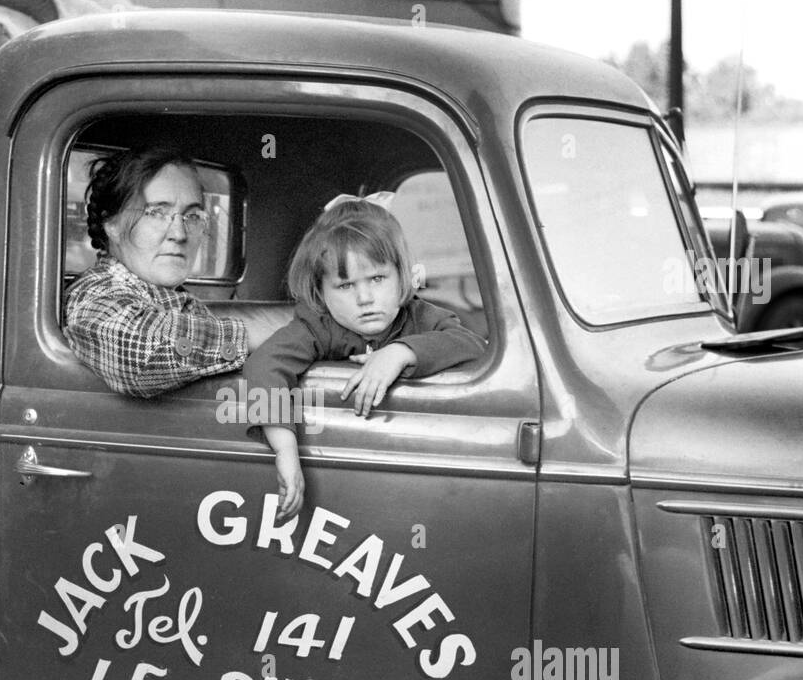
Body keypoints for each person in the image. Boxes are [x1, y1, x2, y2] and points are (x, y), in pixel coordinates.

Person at [242, 194, 487, 520]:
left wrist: (400, 352)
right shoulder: (317, 327)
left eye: (377, 278)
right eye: (344, 286)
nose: (365, 298)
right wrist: (285, 450)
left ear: (402, 276)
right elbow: (264, 365)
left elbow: (471, 343)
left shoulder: (420, 316)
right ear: (321, 293)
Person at [64, 146, 260, 397]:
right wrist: (258, 334)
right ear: (111, 224)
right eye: (156, 213)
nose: (179, 234)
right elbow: (136, 352)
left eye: (192, 215)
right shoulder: (94, 291)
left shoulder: (173, 300)